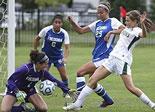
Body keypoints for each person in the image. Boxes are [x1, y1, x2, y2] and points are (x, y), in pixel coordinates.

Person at [63, 10, 155, 111]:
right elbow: (120, 31)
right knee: (92, 80)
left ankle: (152, 104)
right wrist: (110, 32)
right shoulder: (126, 28)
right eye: (125, 20)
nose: (125, 23)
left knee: (131, 88)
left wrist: (142, 23)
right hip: (111, 59)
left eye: (128, 21)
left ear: (134, 22)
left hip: (122, 61)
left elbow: (144, 35)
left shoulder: (137, 30)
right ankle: (77, 104)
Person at [67, 1, 125, 107]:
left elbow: (123, 29)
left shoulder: (112, 21)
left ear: (107, 11)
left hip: (105, 56)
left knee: (80, 72)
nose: (99, 15)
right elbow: (80, 31)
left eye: (101, 13)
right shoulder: (97, 23)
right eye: (98, 13)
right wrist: (72, 22)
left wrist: (110, 32)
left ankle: (77, 102)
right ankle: (108, 100)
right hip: (97, 56)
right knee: (92, 82)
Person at [1, 50, 78, 112]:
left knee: (43, 109)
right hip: (15, 90)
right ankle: (23, 108)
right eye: (45, 64)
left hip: (29, 90)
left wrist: (67, 90)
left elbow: (54, 81)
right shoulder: (26, 69)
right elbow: (10, 80)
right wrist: (17, 91)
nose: (47, 66)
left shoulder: (43, 71)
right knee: (5, 110)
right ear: (38, 64)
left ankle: (30, 108)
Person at [34, 14, 70, 98]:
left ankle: (65, 92)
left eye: (59, 22)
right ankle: (41, 90)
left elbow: (67, 48)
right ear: (52, 23)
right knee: (43, 75)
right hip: (46, 56)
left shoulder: (64, 33)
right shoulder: (46, 30)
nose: (57, 24)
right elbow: (37, 39)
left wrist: (65, 57)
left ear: (62, 24)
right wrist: (35, 51)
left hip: (58, 56)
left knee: (64, 75)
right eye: (56, 22)